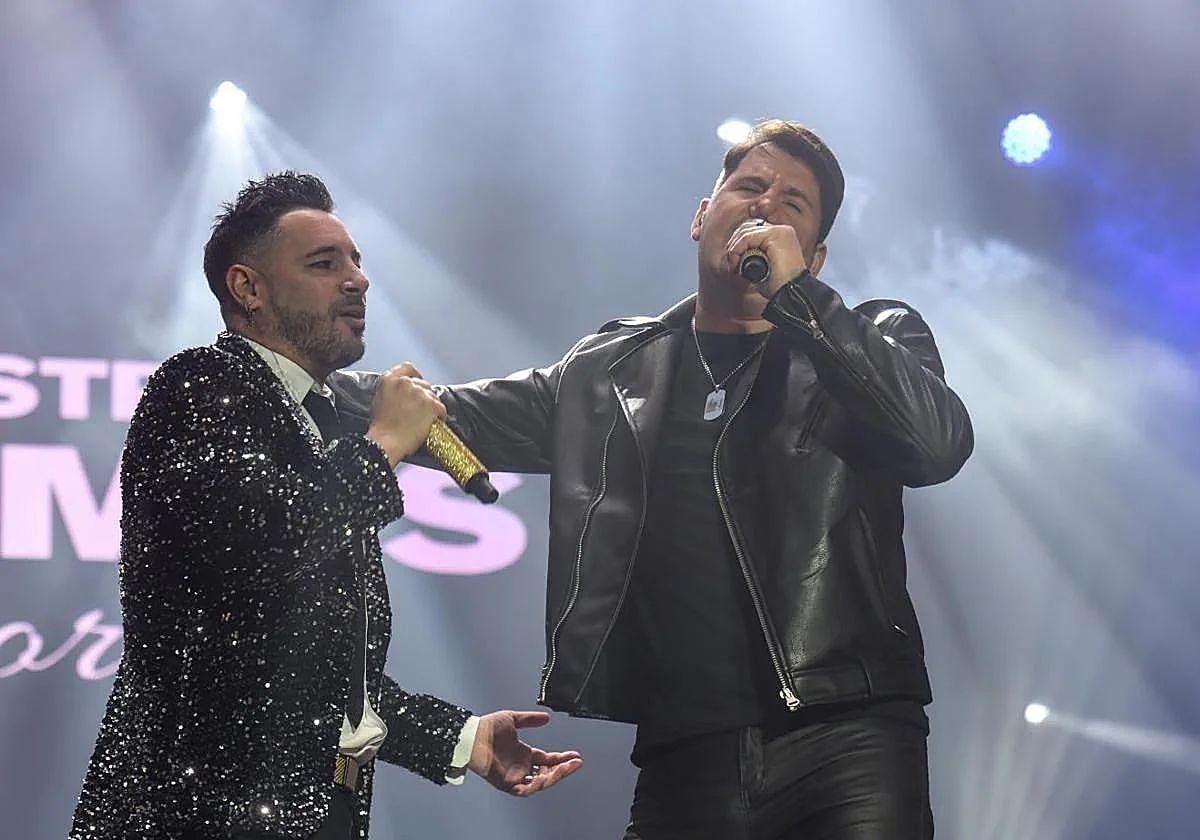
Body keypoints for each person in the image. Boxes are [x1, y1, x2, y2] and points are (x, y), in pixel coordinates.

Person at [336, 119, 973, 838]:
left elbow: (937, 445)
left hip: (846, 738)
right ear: (702, 216)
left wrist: (802, 301)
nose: (766, 205)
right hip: (683, 755)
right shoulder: (610, 372)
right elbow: (444, 416)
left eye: (793, 203)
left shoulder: (871, 338)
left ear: (815, 257)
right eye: (749, 186)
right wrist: (287, 375)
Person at [69, 172, 582, 840]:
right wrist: (385, 443)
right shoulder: (197, 386)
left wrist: (465, 740)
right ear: (248, 287)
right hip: (197, 810)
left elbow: (303, 668)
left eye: (357, 262)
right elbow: (263, 550)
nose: (357, 280)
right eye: (324, 263)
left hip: (312, 809)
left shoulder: (320, 425)